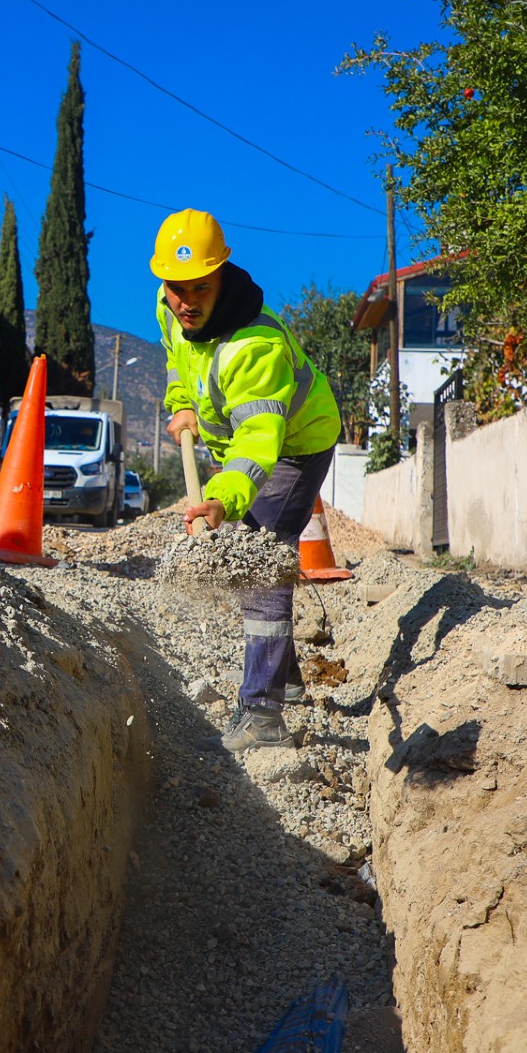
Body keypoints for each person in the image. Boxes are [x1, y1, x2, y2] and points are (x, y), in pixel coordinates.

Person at [152, 209, 342, 752]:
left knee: (261, 559)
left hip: (295, 444)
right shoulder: (171, 310)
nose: (185, 302)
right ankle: (287, 679)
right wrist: (182, 404)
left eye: (199, 289)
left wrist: (222, 501)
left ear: (221, 276)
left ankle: (263, 715)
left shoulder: (254, 348)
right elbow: (177, 362)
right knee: (259, 556)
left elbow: (258, 446)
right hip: (244, 445)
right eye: (175, 289)